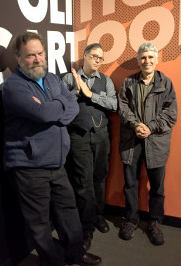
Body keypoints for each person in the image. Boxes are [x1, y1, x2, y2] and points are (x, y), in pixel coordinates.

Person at [2, 31, 101, 266]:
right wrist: (58, 105)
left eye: (40, 53)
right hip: (29, 166)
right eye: (30, 55)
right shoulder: (13, 86)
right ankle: (52, 262)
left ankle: (75, 254)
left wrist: (54, 107)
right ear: (18, 58)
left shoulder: (53, 79)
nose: (37, 59)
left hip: (57, 163)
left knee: (68, 210)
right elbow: (43, 113)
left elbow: (72, 108)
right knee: (39, 222)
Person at [118, 42, 177, 245]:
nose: (147, 61)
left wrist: (150, 127)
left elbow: (171, 114)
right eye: (143, 57)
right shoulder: (128, 82)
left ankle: (154, 222)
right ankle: (131, 220)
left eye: (151, 57)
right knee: (130, 184)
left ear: (157, 59)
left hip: (156, 143)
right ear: (138, 60)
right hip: (131, 141)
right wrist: (136, 126)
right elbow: (122, 108)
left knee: (157, 187)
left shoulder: (166, 83)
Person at [62, 43, 117, 250]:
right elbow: (61, 105)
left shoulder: (106, 81)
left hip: (102, 136)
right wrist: (78, 91)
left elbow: (115, 105)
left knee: (100, 178)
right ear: (85, 56)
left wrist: (91, 95)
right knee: (83, 182)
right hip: (78, 136)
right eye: (94, 56)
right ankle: (86, 228)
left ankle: (98, 216)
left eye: (101, 58)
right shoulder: (69, 78)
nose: (97, 61)